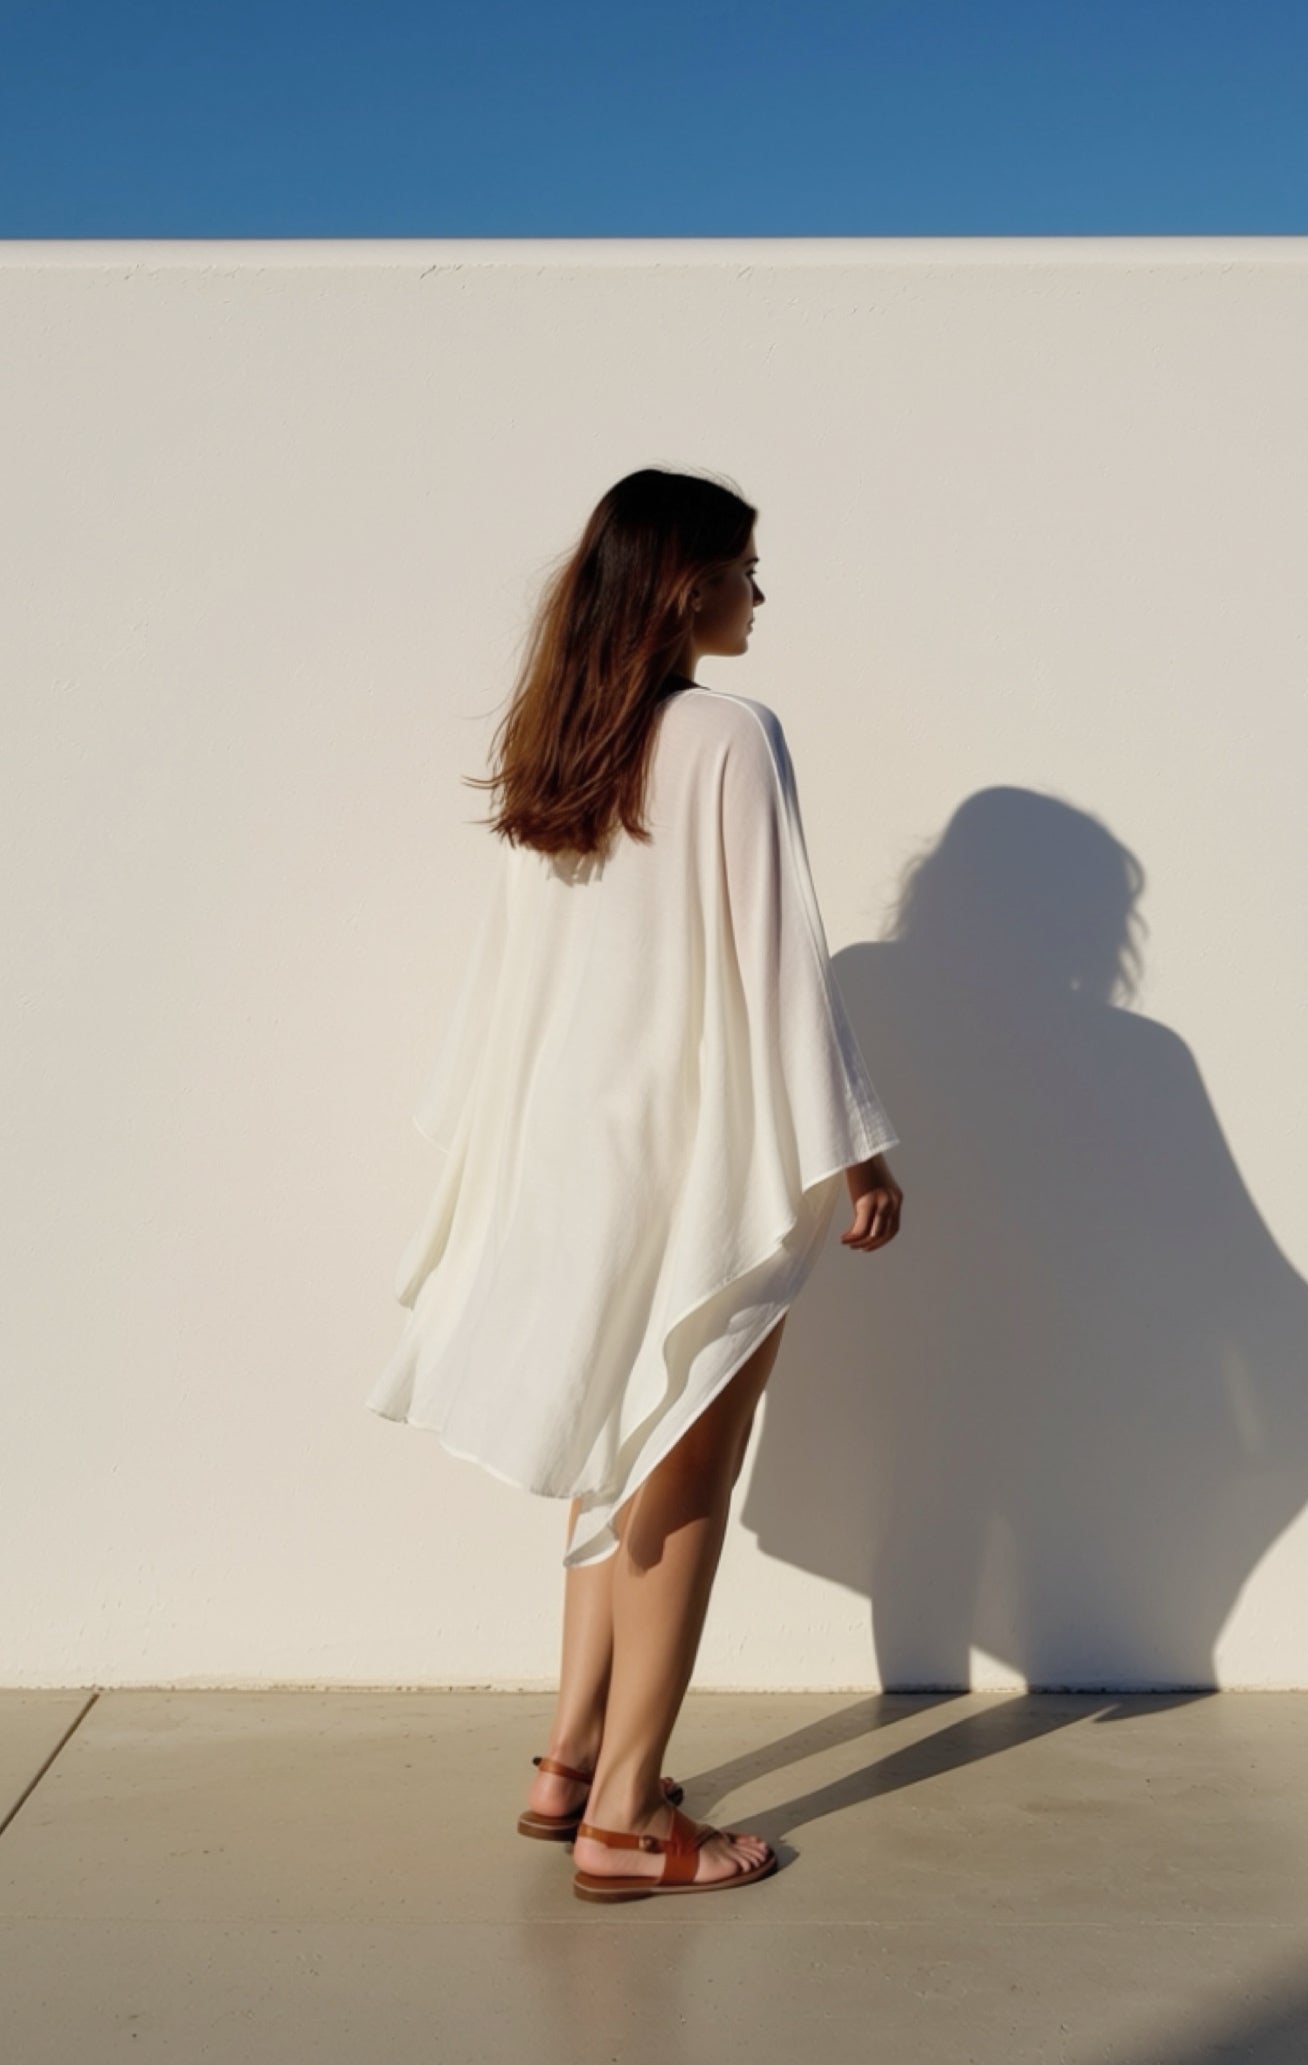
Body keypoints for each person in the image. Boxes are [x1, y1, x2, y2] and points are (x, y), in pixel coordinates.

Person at [366, 467, 903, 1900]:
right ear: (685, 583)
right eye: (743, 567)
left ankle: (568, 1760)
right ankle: (623, 1819)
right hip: (684, 1157)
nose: (758, 594)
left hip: (566, 1151)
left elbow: (519, 982)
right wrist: (852, 1141)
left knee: (618, 1449)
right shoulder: (728, 732)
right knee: (685, 1469)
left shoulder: (560, 745)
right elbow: (779, 955)